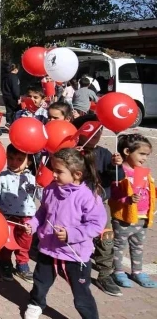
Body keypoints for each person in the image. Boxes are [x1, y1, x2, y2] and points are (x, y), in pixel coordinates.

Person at [24, 148, 105, 319]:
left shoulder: (89, 197)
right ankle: (36, 303)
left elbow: (96, 224)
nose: (53, 174)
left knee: (81, 294)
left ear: (76, 174)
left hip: (75, 254)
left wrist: (71, 234)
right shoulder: (50, 190)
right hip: (48, 249)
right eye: (53, 170)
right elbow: (42, 213)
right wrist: (32, 224)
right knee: (40, 281)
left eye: (59, 171)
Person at [70, 114, 122, 297]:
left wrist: (116, 166)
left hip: (100, 204)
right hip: (75, 205)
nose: (95, 136)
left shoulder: (105, 153)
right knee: (77, 237)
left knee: (105, 238)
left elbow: (117, 178)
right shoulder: (72, 152)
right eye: (91, 131)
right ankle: (75, 267)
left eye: (100, 131)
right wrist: (72, 156)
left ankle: (104, 274)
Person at [108, 133, 156, 288]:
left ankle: (137, 271)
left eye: (147, 155)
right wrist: (127, 200)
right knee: (119, 245)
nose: (144, 158)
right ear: (127, 152)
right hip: (124, 217)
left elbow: (149, 190)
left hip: (142, 216)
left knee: (138, 246)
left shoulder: (144, 172)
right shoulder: (120, 171)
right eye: (141, 154)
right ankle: (118, 271)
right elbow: (113, 194)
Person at [0, 145, 38, 283]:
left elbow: (38, 195)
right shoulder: (2, 176)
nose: (14, 162)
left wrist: (41, 185)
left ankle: (22, 263)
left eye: (19, 159)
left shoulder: (31, 178)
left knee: (24, 242)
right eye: (10, 158)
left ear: (28, 161)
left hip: (26, 217)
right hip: (7, 217)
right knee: (7, 242)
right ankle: (5, 263)